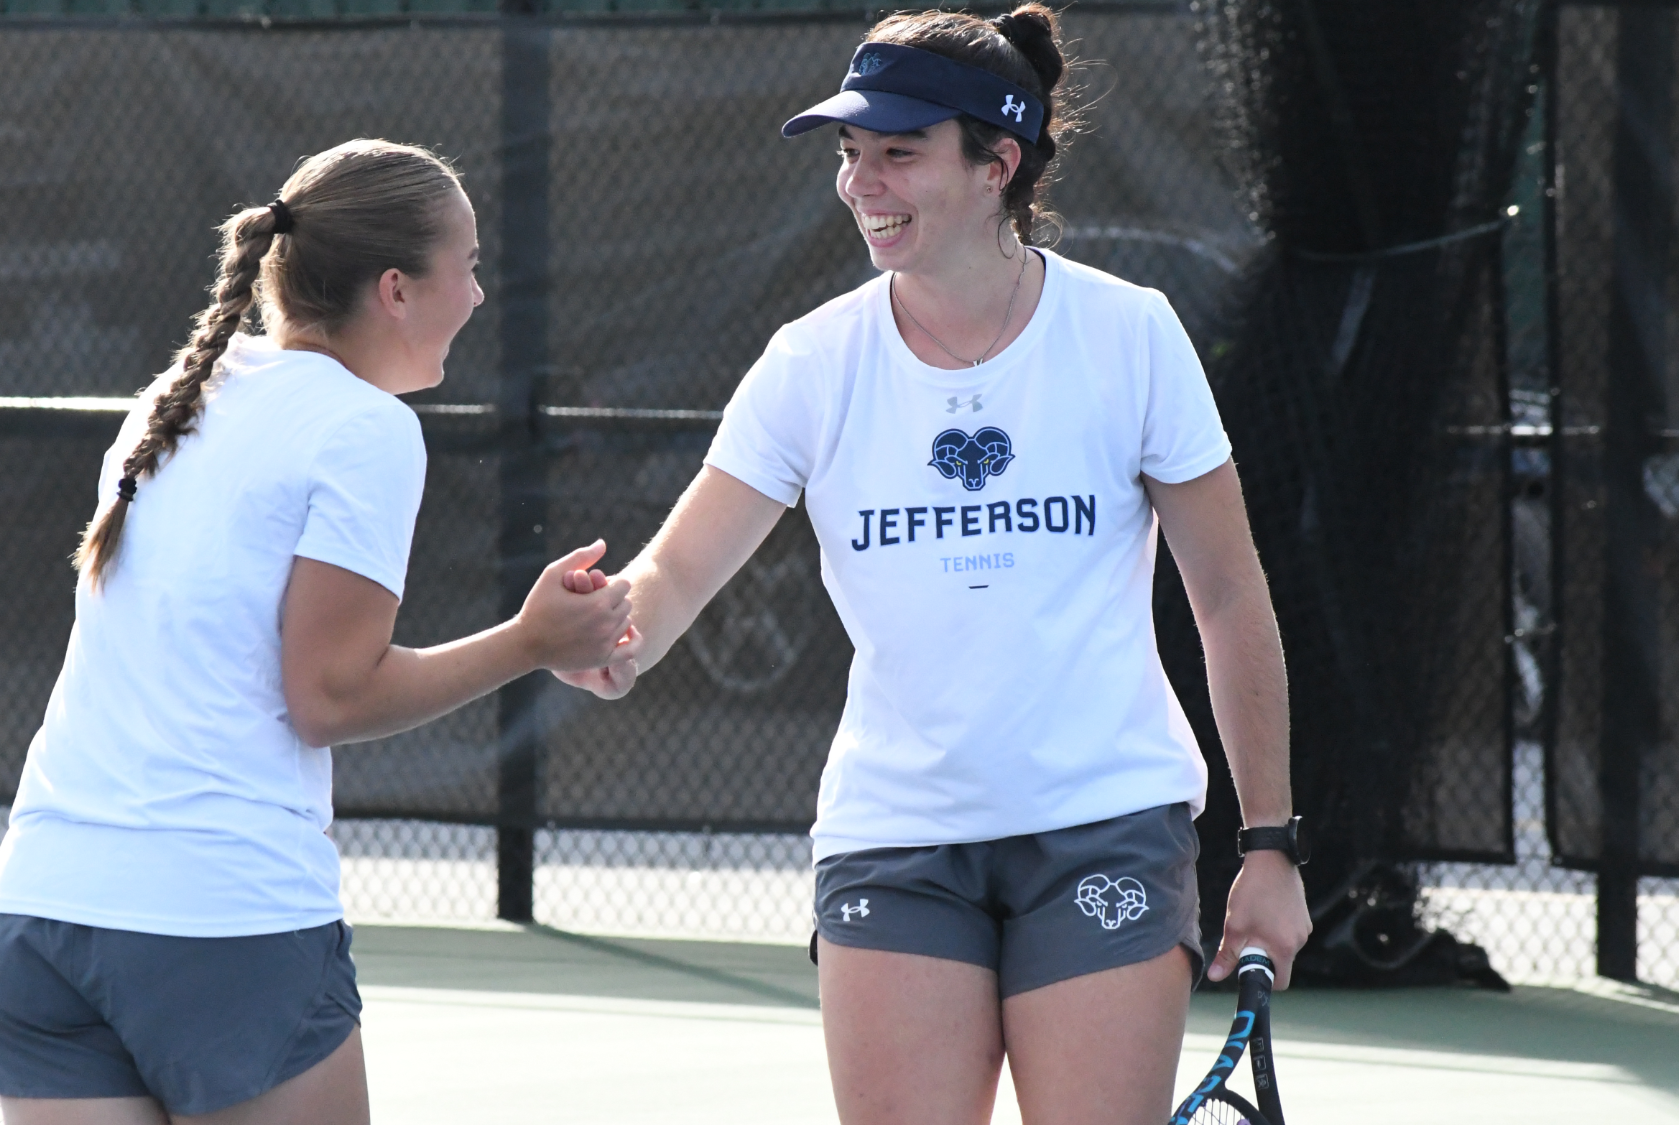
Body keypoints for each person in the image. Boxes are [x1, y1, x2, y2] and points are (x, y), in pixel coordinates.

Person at [556, 8, 1311, 1123]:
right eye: (850, 154)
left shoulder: (1130, 336)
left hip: (1105, 823)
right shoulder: (809, 364)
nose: (861, 182)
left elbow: (1226, 594)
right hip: (893, 842)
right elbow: (669, 580)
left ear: (996, 164)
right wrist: (606, 638)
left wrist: (1268, 846)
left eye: (897, 152)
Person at [0, 139, 635, 1125]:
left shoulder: (178, 395)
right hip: (219, 933)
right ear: (397, 290)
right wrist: (532, 642)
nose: (483, 296)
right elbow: (329, 694)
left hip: (36, 929)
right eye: (472, 266)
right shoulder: (364, 429)